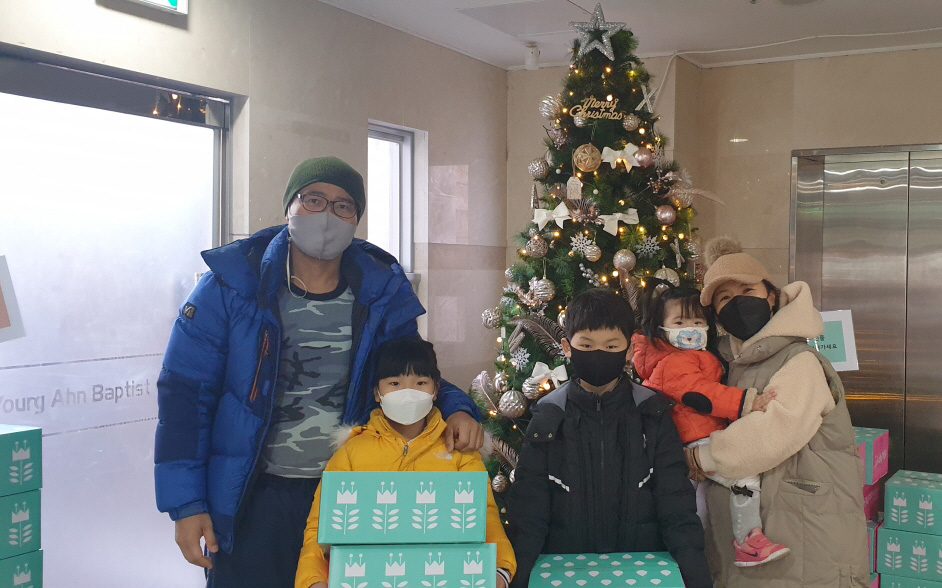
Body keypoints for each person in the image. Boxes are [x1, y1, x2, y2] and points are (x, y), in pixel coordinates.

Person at [153, 156, 485, 588]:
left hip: (351, 494)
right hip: (252, 497)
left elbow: (411, 372)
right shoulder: (231, 287)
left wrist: (457, 407)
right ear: (289, 207)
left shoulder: (381, 292)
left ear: (356, 219)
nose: (327, 214)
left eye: (343, 205)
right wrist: (187, 505)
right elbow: (183, 398)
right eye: (313, 199)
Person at [686, 237, 869, 588]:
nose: (737, 302)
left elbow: (772, 432)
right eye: (724, 298)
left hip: (804, 538)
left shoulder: (799, 361)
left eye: (747, 290)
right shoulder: (728, 364)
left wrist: (699, 457)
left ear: (771, 296)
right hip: (760, 541)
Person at [506, 289, 711, 588]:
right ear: (567, 347)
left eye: (611, 345)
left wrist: (696, 578)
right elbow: (529, 510)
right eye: (586, 345)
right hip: (565, 572)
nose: (599, 353)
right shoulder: (549, 416)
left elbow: (676, 507)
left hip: (641, 571)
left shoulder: (652, 412)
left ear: (629, 349)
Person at [296, 338, 515, 588]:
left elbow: (485, 516)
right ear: (377, 393)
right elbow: (319, 525)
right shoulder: (351, 453)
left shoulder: (460, 453)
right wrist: (313, 579)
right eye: (394, 383)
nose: (408, 392)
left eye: (420, 383)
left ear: (436, 390)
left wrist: (501, 569)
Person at [630, 284, 787, 567]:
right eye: (679, 322)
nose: (689, 328)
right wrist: (746, 401)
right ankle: (748, 541)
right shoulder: (672, 363)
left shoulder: (697, 355)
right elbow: (700, 394)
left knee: (698, 507)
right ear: (661, 328)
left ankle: (694, 556)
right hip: (693, 438)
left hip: (698, 435)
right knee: (743, 473)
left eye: (697, 321)